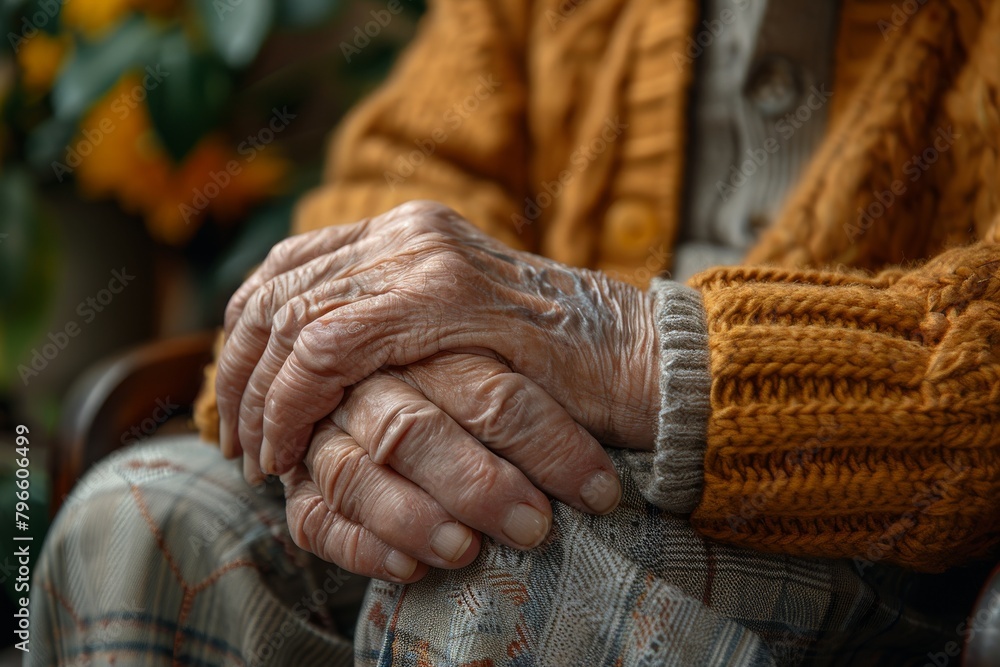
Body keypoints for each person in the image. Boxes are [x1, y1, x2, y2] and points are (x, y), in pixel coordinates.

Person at [30, 0, 1000, 664]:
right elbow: (405, 171)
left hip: (902, 521)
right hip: (539, 433)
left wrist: (639, 350)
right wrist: (374, 381)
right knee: (144, 518)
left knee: (499, 563)